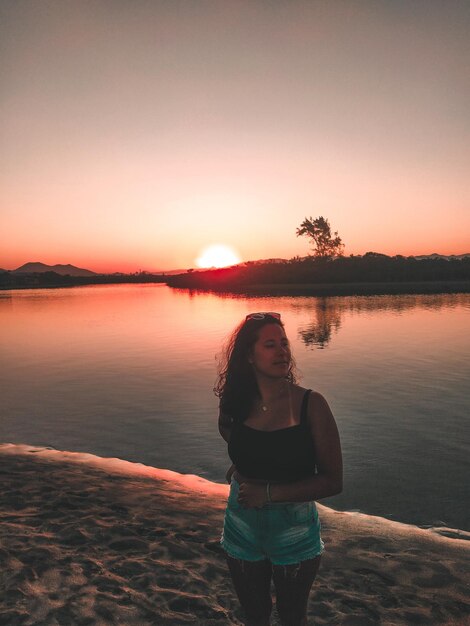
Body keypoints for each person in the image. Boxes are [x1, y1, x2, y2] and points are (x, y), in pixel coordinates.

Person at [215, 312, 342, 626]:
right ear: (249, 355)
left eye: (284, 343)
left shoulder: (311, 405)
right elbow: (231, 436)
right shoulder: (234, 405)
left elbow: (333, 481)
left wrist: (268, 493)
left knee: (292, 617)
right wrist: (243, 463)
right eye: (270, 345)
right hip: (241, 524)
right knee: (255, 617)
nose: (282, 351)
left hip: (294, 529)